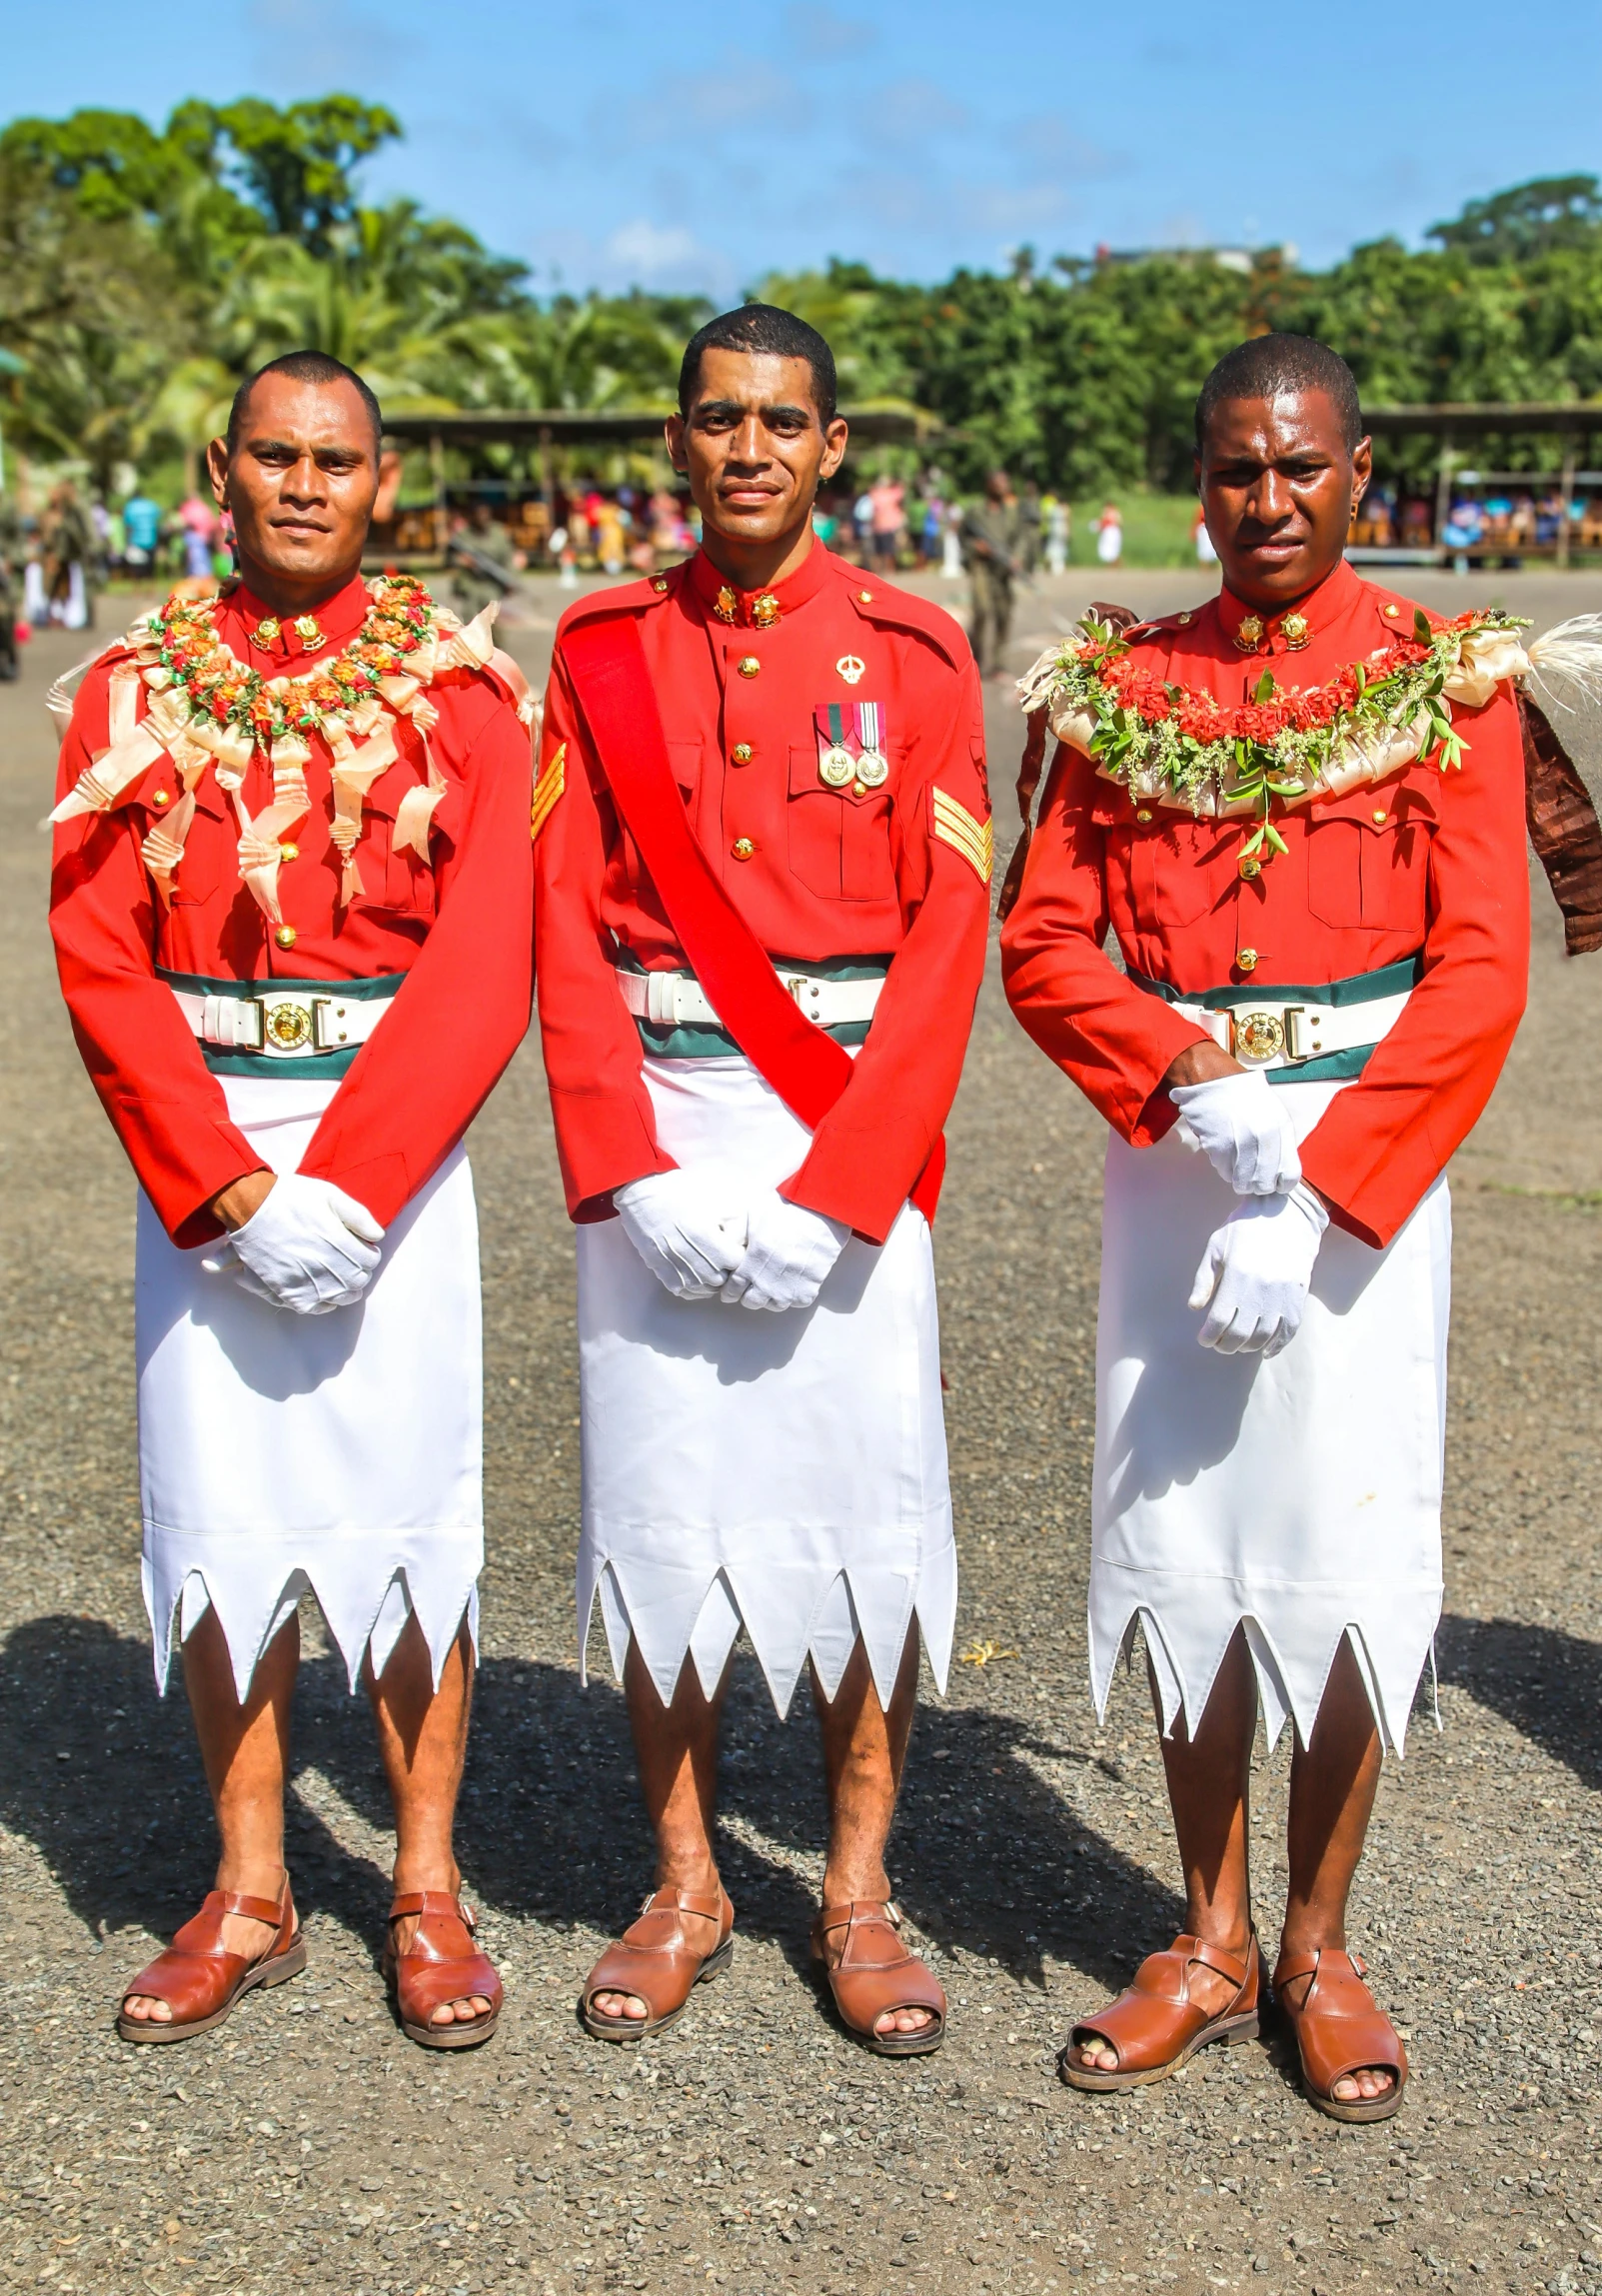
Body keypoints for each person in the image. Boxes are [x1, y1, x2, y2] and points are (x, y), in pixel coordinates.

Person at [1000, 335, 1529, 2122]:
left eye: (1299, 467)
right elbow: (1043, 936)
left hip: (1364, 1172)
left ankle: (1316, 1937)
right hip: (1181, 1159)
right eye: (1234, 469)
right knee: (1187, 1544)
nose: (1266, 500)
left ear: (1358, 471)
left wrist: (1320, 1190)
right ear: (1196, 477)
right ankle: (1206, 1930)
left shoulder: (1443, 677)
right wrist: (1178, 1084)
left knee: (1342, 1544)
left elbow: (1475, 970)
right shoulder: (1118, 681)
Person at [48, 350, 536, 2051]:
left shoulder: (464, 695)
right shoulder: (128, 688)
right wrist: (228, 1184)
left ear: (383, 483)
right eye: (275, 455)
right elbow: (97, 949)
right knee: (217, 1518)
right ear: (220, 468)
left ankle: (421, 1879)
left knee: (413, 1522)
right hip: (210, 1160)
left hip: (389, 1160)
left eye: (337, 458)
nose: (306, 484)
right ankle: (250, 1883)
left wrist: (354, 1177)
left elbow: (489, 959)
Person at [533, 303, 991, 2056]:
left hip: (838, 1132)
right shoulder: (593, 651)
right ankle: (682, 1879)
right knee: (661, 1525)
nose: (746, 449)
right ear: (675, 439)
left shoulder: (918, 653)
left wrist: (846, 1185)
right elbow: (559, 926)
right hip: (658, 1113)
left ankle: (855, 1891)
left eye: (779, 422)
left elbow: (949, 941)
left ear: (831, 448)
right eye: (716, 418)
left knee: (859, 1525)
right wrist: (620, 1169)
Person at [961, 469, 1023, 676]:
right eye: (999, 483)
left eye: (1006, 483)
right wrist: (975, 547)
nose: (1003, 487)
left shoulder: (1012, 512)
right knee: (982, 610)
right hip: (981, 567)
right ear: (989, 485)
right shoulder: (976, 511)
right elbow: (963, 536)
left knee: (1003, 614)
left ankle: (998, 663)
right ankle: (974, 658)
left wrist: (1017, 557)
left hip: (1003, 570)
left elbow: (1020, 538)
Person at [449, 499, 519, 621]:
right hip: (470, 583)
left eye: (485, 514)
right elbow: (449, 558)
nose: (482, 517)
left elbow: (507, 557)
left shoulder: (498, 533)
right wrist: (463, 561)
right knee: (470, 619)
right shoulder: (463, 535)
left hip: (491, 583)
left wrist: (510, 579)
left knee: (493, 620)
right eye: (479, 514)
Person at [122, 487, 164, 576]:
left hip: (136, 539)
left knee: (136, 565)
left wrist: (127, 541)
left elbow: (128, 525)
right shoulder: (150, 504)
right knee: (150, 564)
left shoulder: (130, 506)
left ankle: (137, 587)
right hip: (151, 538)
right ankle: (152, 586)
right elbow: (159, 516)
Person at [1091, 499, 1123, 567]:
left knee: (1112, 548)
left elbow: (1118, 523)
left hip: (1112, 532)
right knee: (1107, 548)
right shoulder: (1106, 513)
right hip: (1108, 532)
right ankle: (1110, 563)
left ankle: (1115, 563)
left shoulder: (1115, 513)